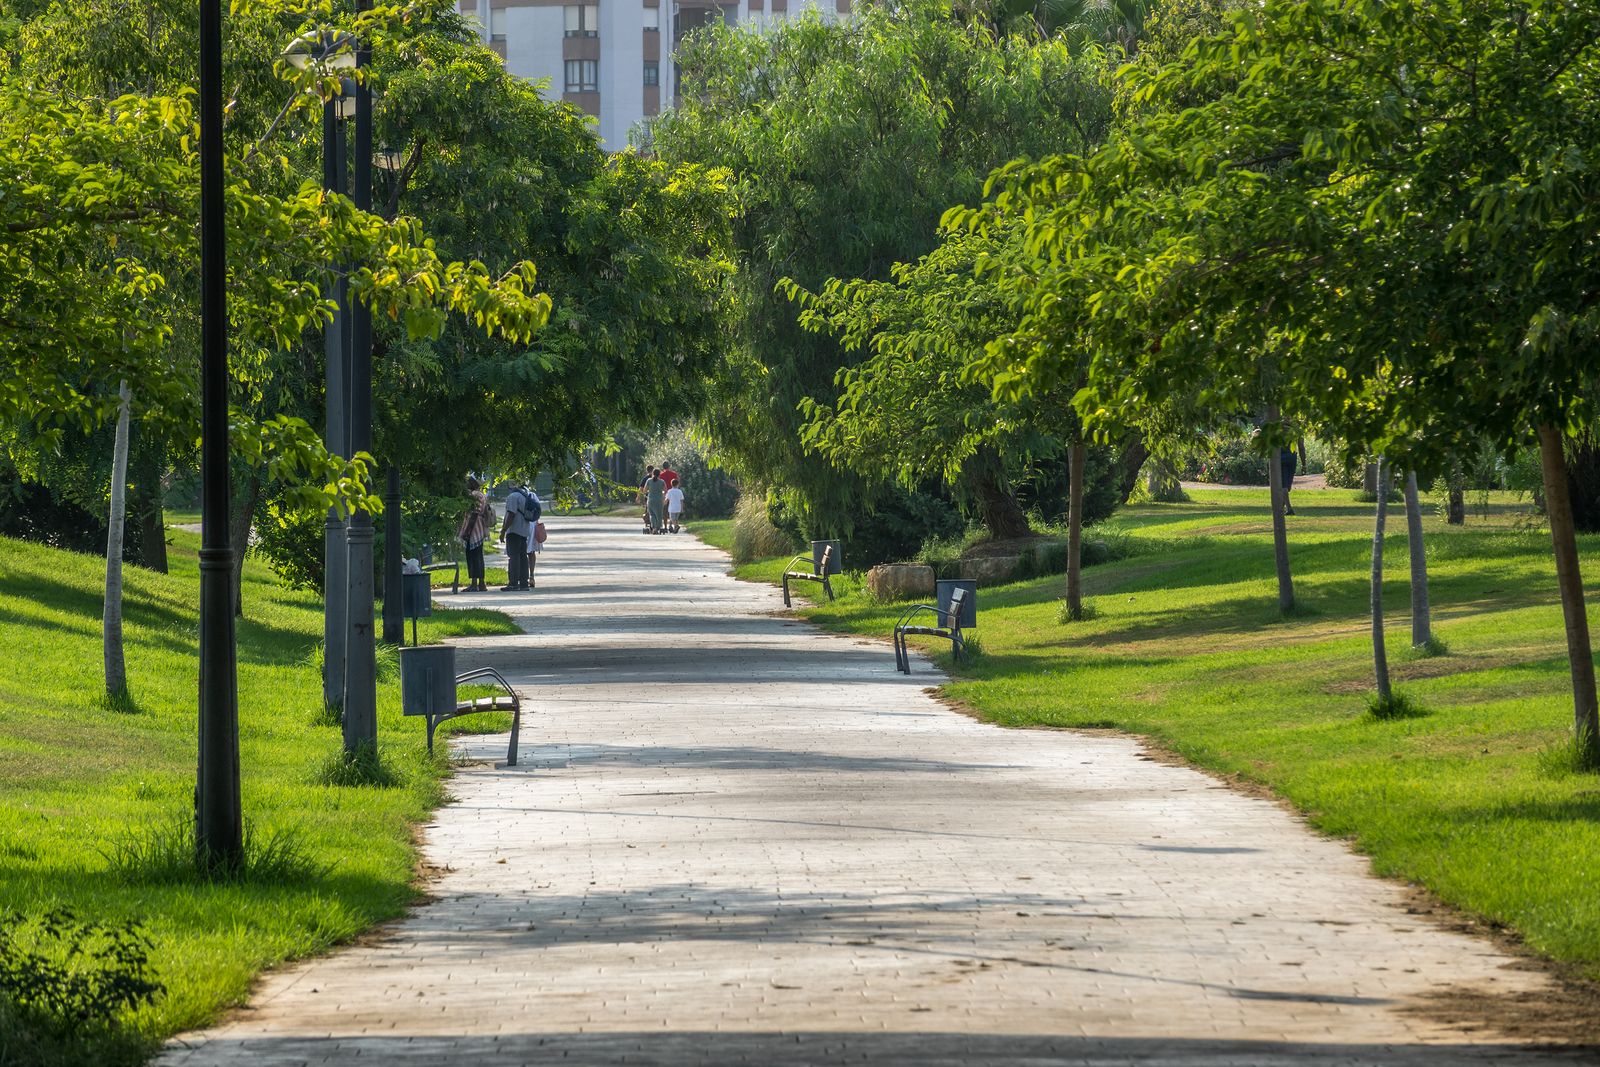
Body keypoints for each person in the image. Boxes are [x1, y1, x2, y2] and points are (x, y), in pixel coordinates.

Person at [457, 476, 493, 592]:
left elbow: (472, 512)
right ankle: (481, 583)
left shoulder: (474, 495)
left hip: (473, 527)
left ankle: (474, 583)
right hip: (479, 527)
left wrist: (466, 531)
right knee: (478, 556)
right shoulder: (482, 494)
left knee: (472, 556)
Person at [500, 481, 535, 591]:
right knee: (523, 557)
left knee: (513, 557)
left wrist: (503, 530)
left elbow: (511, 514)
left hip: (514, 530)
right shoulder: (525, 495)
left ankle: (513, 583)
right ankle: (524, 583)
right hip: (524, 530)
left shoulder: (513, 496)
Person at [644, 467, 667, 534]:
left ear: (653, 473)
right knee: (659, 515)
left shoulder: (649, 480)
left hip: (651, 500)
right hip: (659, 500)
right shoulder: (662, 481)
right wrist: (663, 495)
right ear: (659, 474)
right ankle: (658, 527)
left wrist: (649, 491)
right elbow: (665, 490)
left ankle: (654, 527)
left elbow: (645, 490)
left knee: (652, 514)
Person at [1280, 446, 1298, 516]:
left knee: (1284, 486)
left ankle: (1289, 508)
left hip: (1282, 457)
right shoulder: (1294, 434)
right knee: (1287, 486)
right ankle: (1280, 508)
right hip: (1292, 456)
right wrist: (1304, 464)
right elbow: (1301, 446)